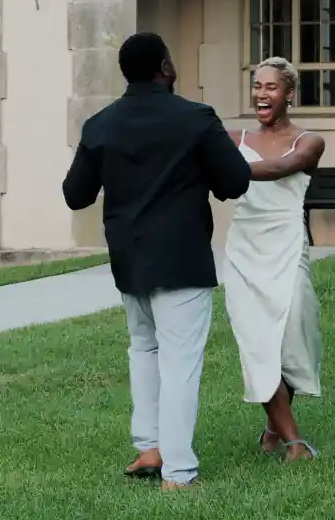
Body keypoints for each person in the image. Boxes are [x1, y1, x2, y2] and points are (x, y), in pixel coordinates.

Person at [61, 32, 250, 491]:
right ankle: (179, 473)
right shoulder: (196, 119)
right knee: (180, 361)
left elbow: (75, 194)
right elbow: (236, 181)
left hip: (129, 260)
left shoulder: (100, 124)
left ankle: (150, 448)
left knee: (144, 350)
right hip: (182, 258)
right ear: (165, 66)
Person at [222, 57, 326, 461]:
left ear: (289, 94)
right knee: (257, 340)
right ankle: (295, 442)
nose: (262, 94)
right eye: (257, 86)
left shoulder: (309, 141)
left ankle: (273, 425)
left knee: (293, 334)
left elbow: (283, 168)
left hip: (287, 243)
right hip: (245, 248)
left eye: (271, 87)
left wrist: (227, 170)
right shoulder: (233, 138)